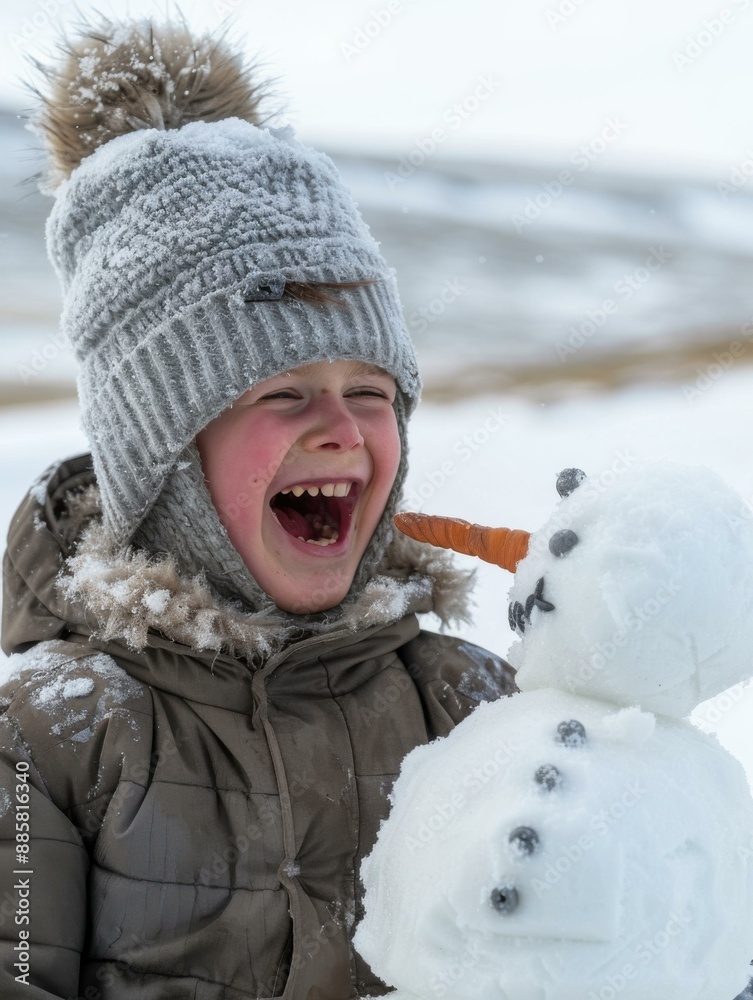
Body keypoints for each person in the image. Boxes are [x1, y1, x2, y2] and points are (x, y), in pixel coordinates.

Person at [0, 17, 516, 1000]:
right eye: (282, 393)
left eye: (373, 393)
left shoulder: (468, 704)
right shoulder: (49, 733)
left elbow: (648, 927)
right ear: (161, 452)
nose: (340, 428)